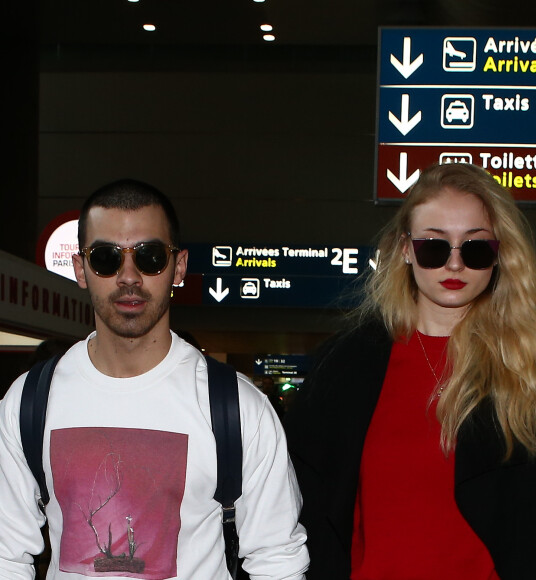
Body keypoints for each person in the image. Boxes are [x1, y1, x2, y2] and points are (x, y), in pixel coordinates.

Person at [284, 163, 536, 580]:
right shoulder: (345, 368)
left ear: (499, 255)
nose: (454, 265)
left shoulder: (532, 367)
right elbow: (302, 508)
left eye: (475, 248)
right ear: (405, 249)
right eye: (434, 247)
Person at [0, 179, 308, 579]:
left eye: (149, 256)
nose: (129, 276)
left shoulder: (235, 407)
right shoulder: (28, 402)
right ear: (81, 269)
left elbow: (277, 559)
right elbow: (7, 554)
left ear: (178, 267)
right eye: (106, 258)